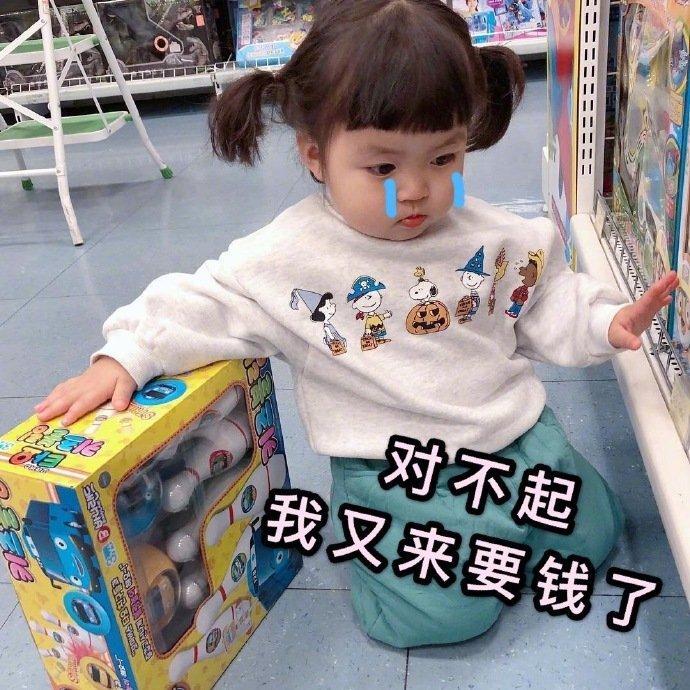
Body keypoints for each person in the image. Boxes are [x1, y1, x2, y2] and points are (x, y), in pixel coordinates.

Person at [34, 0, 677, 648]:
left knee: (596, 534)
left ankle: (488, 544)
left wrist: (605, 321)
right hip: (399, 474)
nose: (417, 190)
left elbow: (542, 298)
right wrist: (127, 353)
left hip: (517, 440)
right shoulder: (288, 258)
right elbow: (204, 300)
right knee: (444, 618)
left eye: (444, 158)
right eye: (384, 168)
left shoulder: (491, 233)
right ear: (315, 155)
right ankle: (378, 555)